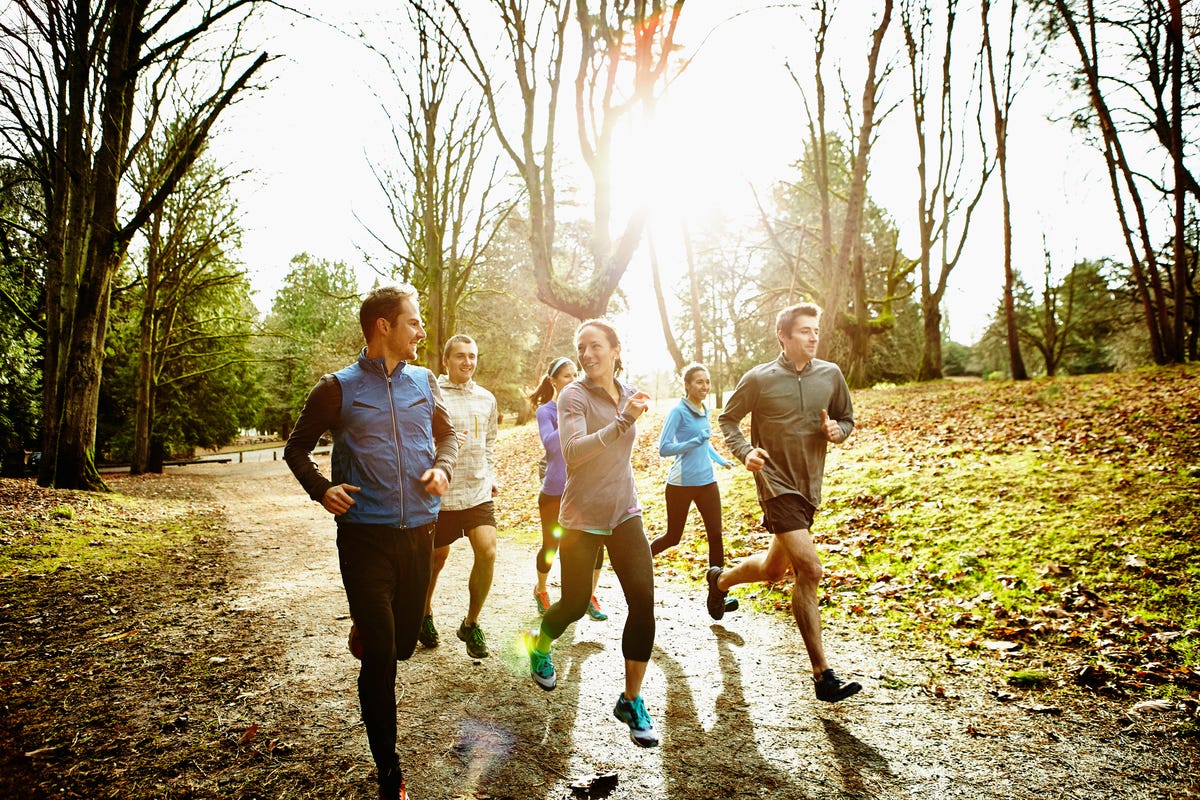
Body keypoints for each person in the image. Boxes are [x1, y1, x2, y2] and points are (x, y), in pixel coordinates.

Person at [284, 284, 457, 800]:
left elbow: (448, 436)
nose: (422, 332)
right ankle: (390, 771)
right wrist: (322, 489)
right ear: (384, 325)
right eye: (414, 323)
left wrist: (443, 469)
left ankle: (372, 628)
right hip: (364, 538)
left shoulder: (425, 382)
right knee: (381, 658)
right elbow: (295, 450)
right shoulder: (336, 388)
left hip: (419, 532)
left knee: (402, 644)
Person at [715, 302, 862, 703]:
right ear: (783, 336)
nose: (813, 337)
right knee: (809, 569)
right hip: (774, 483)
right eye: (804, 331)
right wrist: (746, 452)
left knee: (772, 570)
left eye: (815, 330)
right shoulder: (759, 378)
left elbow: (847, 419)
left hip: (809, 486)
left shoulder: (830, 375)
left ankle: (720, 581)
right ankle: (822, 675)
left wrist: (838, 430)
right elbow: (727, 419)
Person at [523, 320, 660, 748]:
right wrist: (623, 421)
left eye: (595, 346)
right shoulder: (572, 395)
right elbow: (574, 452)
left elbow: (622, 449)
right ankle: (541, 645)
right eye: (581, 348)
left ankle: (631, 699)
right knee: (577, 604)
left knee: (643, 602)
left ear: (616, 349)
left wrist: (628, 416)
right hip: (581, 517)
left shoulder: (629, 391)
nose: (586, 354)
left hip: (624, 511)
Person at [420, 335, 499, 659]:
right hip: (442, 495)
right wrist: (446, 447)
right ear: (446, 360)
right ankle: (424, 614)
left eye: (472, 356)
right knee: (435, 560)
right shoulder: (431, 395)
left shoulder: (486, 398)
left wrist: (491, 475)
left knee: (488, 550)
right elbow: (419, 441)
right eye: (460, 357)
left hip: (477, 490)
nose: (467, 362)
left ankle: (471, 623)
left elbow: (491, 442)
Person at [650, 363, 738, 617]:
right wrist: (692, 442)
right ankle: (638, 564)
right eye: (699, 382)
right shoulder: (678, 412)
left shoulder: (704, 408)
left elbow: (705, 443)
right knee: (673, 537)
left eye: (707, 381)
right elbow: (664, 448)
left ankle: (718, 594)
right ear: (687, 385)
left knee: (716, 534)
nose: (705, 386)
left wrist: (720, 459)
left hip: (707, 482)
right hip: (681, 485)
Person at [528, 356, 608, 622]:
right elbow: (551, 445)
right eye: (565, 376)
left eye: (575, 374)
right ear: (553, 381)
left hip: (585, 489)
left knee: (595, 546)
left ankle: (588, 596)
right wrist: (568, 414)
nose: (572, 380)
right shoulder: (546, 412)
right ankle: (541, 590)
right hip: (554, 491)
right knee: (552, 545)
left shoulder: (585, 407)